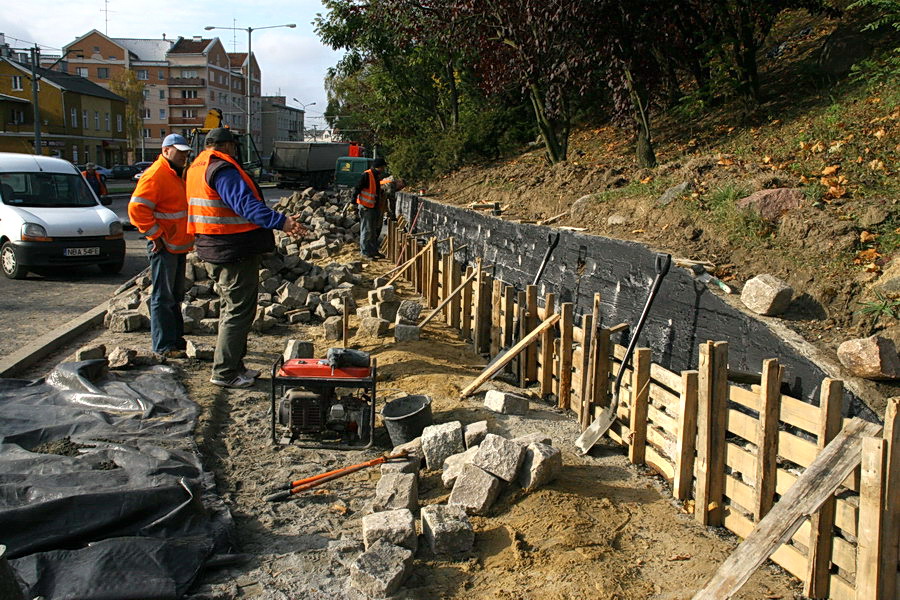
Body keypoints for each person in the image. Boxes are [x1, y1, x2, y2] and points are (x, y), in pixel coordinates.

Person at [186, 127, 306, 389]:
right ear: (228, 146)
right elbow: (245, 205)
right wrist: (281, 222)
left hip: (216, 247)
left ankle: (234, 366)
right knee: (237, 312)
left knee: (234, 309)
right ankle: (225, 372)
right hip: (232, 250)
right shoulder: (222, 170)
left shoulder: (197, 167)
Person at [128, 134, 195, 358]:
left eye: (186, 152)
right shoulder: (156, 174)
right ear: (166, 151)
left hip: (176, 244)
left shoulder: (177, 173)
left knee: (174, 296)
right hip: (164, 245)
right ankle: (164, 346)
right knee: (163, 297)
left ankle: (175, 341)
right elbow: (137, 209)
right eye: (180, 152)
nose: (185, 156)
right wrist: (155, 235)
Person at [353, 157, 386, 259]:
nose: (384, 169)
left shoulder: (376, 176)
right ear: (379, 167)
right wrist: (352, 202)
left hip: (373, 207)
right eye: (383, 167)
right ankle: (365, 252)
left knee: (373, 231)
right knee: (366, 230)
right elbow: (357, 188)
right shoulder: (367, 175)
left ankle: (373, 251)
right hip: (366, 207)